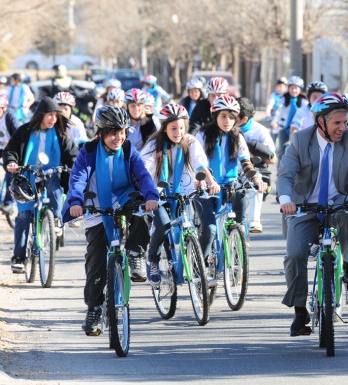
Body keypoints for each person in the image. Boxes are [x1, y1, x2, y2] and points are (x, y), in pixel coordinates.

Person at [278, 92, 348, 336]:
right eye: (337, 123)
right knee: (295, 254)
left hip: (339, 201)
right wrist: (287, 200)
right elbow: (286, 174)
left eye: (345, 122)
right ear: (320, 121)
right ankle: (300, 311)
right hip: (305, 205)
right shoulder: (300, 140)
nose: (343, 127)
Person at [62, 106, 159, 335]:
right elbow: (77, 180)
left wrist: (151, 196)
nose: (119, 138)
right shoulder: (88, 152)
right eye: (113, 132)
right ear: (101, 133)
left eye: (123, 132)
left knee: (140, 214)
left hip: (124, 198)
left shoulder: (128, 150)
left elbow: (143, 176)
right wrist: (75, 202)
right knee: (96, 261)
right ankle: (94, 308)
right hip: (96, 205)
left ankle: (135, 254)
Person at [139, 103, 217, 285]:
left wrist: (211, 182)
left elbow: (200, 164)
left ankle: (199, 268)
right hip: (159, 193)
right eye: (173, 128)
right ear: (164, 127)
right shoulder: (153, 144)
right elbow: (144, 170)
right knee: (163, 226)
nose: (178, 132)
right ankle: (153, 261)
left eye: (181, 128)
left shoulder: (190, 141)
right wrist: (148, 194)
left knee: (208, 227)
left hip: (188, 191)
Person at [4, 97, 78, 273]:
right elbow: (11, 150)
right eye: (50, 115)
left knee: (54, 187)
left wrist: (74, 166)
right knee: (23, 216)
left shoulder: (60, 134)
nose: (53, 119)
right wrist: (12, 162)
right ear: (41, 115)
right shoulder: (24, 131)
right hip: (26, 176)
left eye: (55, 115)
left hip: (50, 173)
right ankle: (19, 257)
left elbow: (73, 153)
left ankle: (57, 219)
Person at [195, 95, 265, 263]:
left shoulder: (238, 136)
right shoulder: (203, 134)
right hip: (206, 187)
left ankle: (237, 247)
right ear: (215, 116)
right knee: (210, 230)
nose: (228, 121)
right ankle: (202, 267)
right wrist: (205, 181)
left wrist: (255, 178)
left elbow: (245, 162)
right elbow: (198, 163)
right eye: (223, 116)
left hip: (229, 185)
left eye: (232, 117)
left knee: (240, 215)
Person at [237, 97, 276, 234]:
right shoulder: (227, 129)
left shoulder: (260, 132)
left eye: (234, 116)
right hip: (231, 172)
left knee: (255, 183)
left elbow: (272, 159)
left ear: (244, 119)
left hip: (253, 172)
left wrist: (253, 153)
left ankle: (254, 220)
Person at [271, 76, 308, 165]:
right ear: (288, 88)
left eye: (296, 88)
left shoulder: (304, 101)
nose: (294, 90)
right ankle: (280, 173)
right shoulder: (283, 99)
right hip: (284, 128)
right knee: (281, 152)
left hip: (298, 130)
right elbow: (278, 111)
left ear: (300, 89)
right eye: (292, 88)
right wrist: (275, 121)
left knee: (298, 152)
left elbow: (307, 114)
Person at [0, 94, 20, 216]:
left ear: (4, 108)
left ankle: (9, 202)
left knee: (10, 172)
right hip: (1, 147)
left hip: (11, 149)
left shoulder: (10, 117)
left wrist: (10, 143)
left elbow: (19, 135)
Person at [265, 77, 288, 144]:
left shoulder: (288, 96)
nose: (280, 88)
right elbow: (270, 104)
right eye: (278, 86)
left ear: (286, 88)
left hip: (285, 121)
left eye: (282, 86)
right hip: (275, 120)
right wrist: (268, 111)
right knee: (274, 139)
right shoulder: (274, 96)